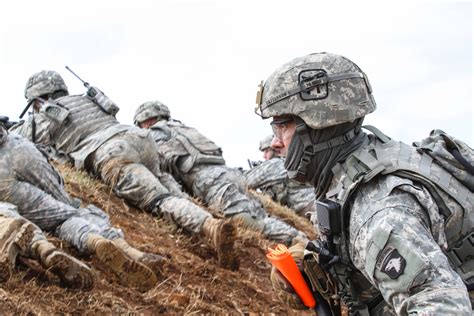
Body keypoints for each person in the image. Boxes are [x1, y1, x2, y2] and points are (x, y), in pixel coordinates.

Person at [255, 52, 473, 314]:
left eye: (281, 127)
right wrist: (315, 263)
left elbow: (444, 307)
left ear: (316, 126)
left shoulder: (377, 212)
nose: (276, 142)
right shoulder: (373, 159)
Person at [10, 70, 237, 270]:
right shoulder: (90, 100)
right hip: (140, 140)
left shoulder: (46, 114)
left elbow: (17, 141)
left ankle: (211, 227)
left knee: (159, 199)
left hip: (111, 152)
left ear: (37, 100)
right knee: (165, 183)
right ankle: (207, 218)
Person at [0, 121, 164, 291]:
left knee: (58, 218)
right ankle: (127, 249)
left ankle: (60, 246)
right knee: (69, 208)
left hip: (4, 178)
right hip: (19, 146)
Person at [133, 101, 306, 245]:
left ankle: (300, 241)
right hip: (228, 175)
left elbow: (159, 163)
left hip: (210, 181)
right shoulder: (183, 128)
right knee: (258, 215)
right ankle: (299, 238)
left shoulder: (156, 133)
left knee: (248, 222)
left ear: (145, 121)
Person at [245, 135, 316, 218]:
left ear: (275, 150)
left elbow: (242, 181)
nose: (264, 156)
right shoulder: (289, 162)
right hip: (308, 210)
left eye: (266, 151)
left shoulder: (275, 164)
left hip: (307, 211)